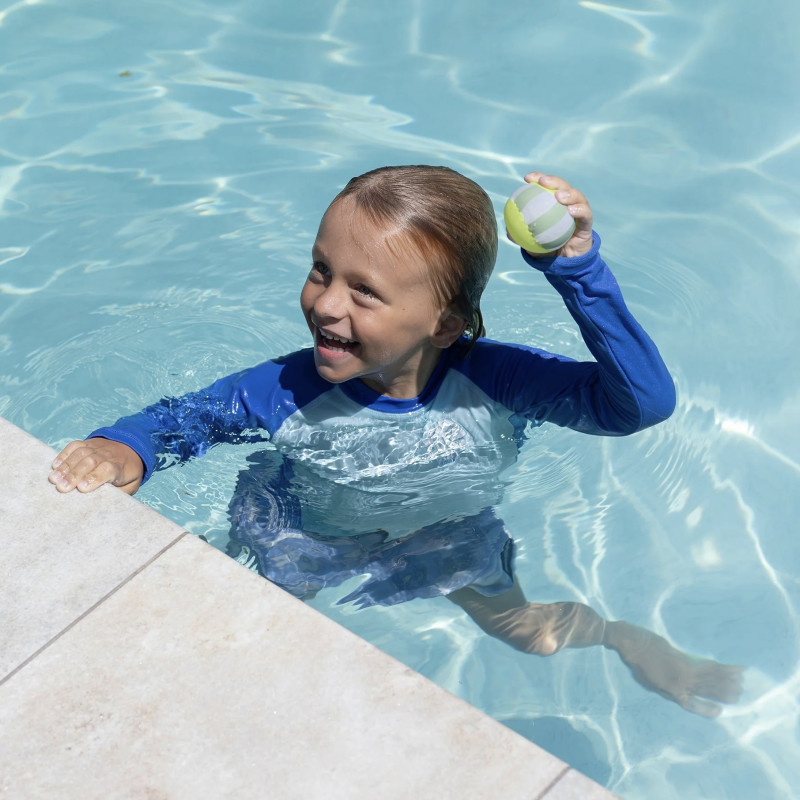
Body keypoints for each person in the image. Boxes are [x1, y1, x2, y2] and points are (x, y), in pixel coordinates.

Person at [49, 166, 742, 717]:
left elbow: (639, 406)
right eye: (322, 270)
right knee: (247, 631)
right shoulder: (287, 388)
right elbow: (187, 420)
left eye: (364, 292)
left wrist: (578, 272)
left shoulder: (499, 379)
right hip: (306, 529)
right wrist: (124, 449)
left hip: (448, 533)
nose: (325, 304)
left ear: (445, 324)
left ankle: (622, 639)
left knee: (525, 631)